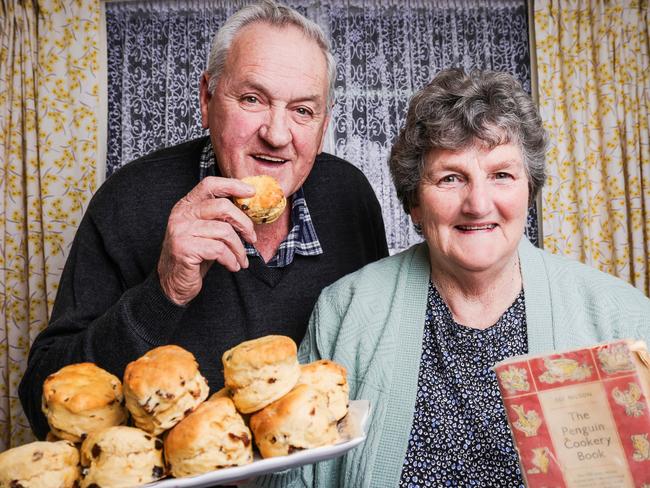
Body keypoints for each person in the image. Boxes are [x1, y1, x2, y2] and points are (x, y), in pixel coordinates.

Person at [254, 68, 650, 487]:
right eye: (450, 178)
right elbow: (288, 471)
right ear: (415, 203)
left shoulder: (620, 318)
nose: (478, 204)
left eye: (501, 175)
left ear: (529, 191)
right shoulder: (346, 309)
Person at [19, 0, 388, 440]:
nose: (276, 133)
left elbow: (376, 360)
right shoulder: (128, 200)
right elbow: (42, 400)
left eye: (302, 110)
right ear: (207, 98)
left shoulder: (349, 198)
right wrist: (165, 291)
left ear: (323, 124)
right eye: (252, 99)